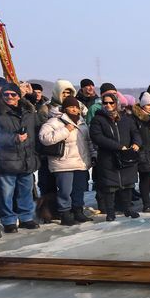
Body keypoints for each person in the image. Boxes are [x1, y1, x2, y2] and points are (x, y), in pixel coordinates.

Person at [0, 83, 41, 232]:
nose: (9, 97)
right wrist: (13, 138)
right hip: (7, 160)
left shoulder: (29, 112)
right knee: (6, 192)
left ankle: (26, 218)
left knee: (25, 191)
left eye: (13, 94)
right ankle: (9, 221)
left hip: (27, 158)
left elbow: (37, 130)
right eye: (6, 94)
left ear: (19, 96)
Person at [38, 95, 93, 226]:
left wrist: (93, 155)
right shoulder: (54, 122)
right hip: (63, 163)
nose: (74, 109)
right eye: (71, 107)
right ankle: (65, 213)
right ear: (64, 108)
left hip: (80, 161)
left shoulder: (82, 123)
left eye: (76, 107)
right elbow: (44, 138)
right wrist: (65, 130)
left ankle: (78, 211)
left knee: (78, 189)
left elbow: (88, 142)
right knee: (64, 190)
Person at [89, 92, 142, 221]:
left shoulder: (126, 119)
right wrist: (117, 146)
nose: (108, 105)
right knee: (109, 187)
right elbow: (97, 137)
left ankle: (128, 209)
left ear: (116, 103)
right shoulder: (98, 119)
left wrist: (136, 143)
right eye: (105, 103)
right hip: (108, 158)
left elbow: (135, 132)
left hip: (126, 156)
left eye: (111, 103)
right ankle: (110, 212)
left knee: (127, 184)